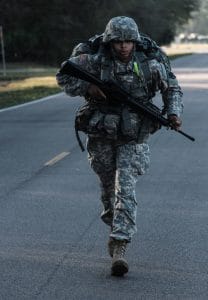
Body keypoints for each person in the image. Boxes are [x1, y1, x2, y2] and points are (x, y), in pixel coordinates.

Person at [56, 16, 183, 276]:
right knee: (107, 190)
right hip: (102, 133)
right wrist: (88, 87)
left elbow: (172, 88)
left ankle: (121, 246)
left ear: (135, 42)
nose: (124, 46)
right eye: (119, 41)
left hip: (134, 134)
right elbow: (63, 76)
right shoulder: (93, 60)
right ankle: (114, 229)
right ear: (110, 41)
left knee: (124, 187)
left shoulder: (150, 63)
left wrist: (173, 113)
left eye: (129, 41)